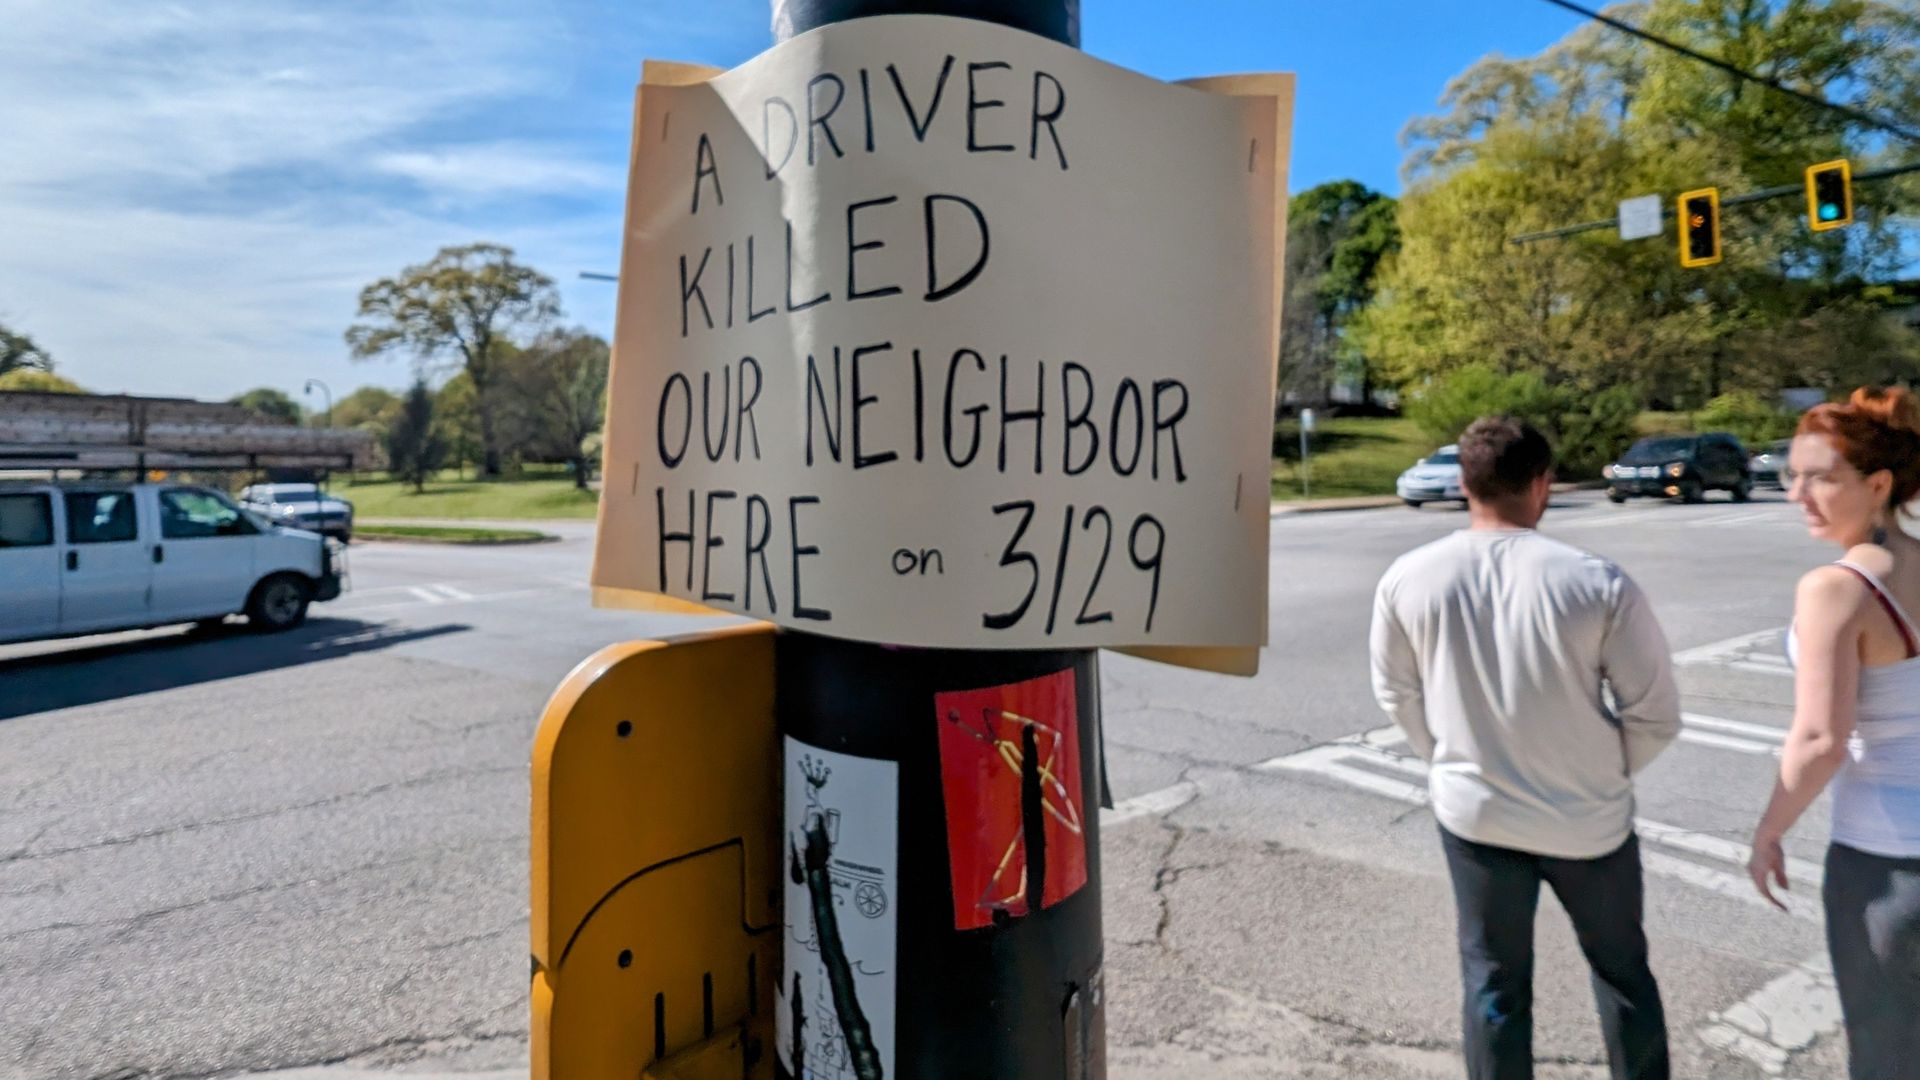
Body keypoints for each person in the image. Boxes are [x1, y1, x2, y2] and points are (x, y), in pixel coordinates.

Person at [1370, 415, 1680, 1080]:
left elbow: (1396, 694)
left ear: (1463, 483)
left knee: (1494, 986)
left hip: (1475, 814)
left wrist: (1446, 760)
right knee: (1622, 973)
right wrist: (1606, 769)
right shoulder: (1597, 582)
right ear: (1543, 484)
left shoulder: (1409, 576)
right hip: (1589, 821)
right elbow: (1655, 714)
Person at [1745, 386, 1920, 1076]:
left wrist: (1768, 831)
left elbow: (1820, 739)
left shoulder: (1837, 588)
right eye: (1795, 474)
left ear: (1878, 484)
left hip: (1886, 864)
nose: (1798, 494)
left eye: (1821, 477)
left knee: (1886, 1056)